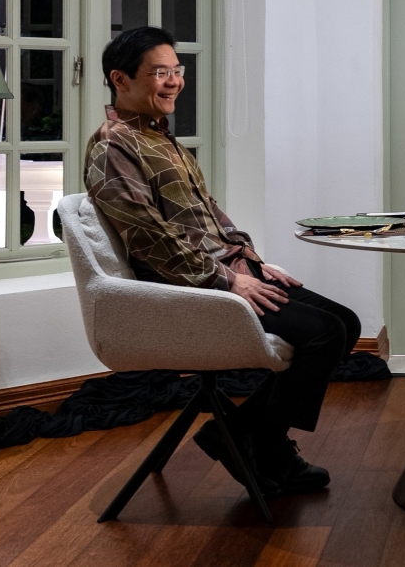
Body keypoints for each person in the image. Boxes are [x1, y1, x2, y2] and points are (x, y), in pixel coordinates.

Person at [85, 26, 361, 496]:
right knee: (323, 333)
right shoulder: (114, 146)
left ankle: (238, 432)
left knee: (345, 322)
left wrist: (252, 260)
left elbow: (210, 214)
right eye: (159, 73)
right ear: (120, 79)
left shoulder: (160, 137)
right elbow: (150, 238)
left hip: (222, 272)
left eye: (177, 71)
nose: (173, 82)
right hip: (186, 289)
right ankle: (267, 444)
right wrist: (227, 280)